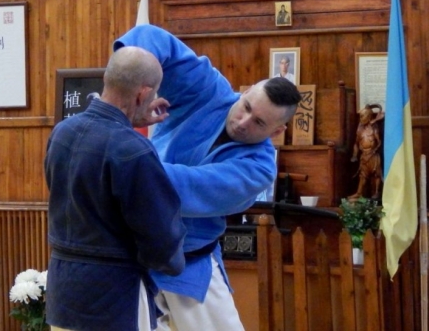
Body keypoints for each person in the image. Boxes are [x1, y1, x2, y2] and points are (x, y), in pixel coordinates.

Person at [114, 24, 301, 331]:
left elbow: (185, 187)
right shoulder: (209, 91)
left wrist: (119, 160)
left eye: (258, 122)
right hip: (129, 251)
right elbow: (152, 37)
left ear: (277, 132)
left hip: (189, 261)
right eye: (246, 107)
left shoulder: (258, 168)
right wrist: (130, 94)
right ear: (244, 91)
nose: (242, 122)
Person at [44, 46, 186, 331]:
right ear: (143, 94)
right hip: (113, 294)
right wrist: (174, 263)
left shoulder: (62, 132)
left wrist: (131, 120)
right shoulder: (133, 150)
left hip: (63, 287)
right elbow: (159, 237)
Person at [349, 104, 384, 200]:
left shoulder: (374, 128)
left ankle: (377, 192)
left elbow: (379, 142)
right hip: (364, 154)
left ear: (368, 116)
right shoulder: (359, 129)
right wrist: (354, 155)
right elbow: (356, 143)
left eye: (363, 116)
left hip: (373, 155)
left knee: (377, 174)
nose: (361, 118)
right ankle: (359, 193)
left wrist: (375, 150)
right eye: (360, 116)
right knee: (362, 175)